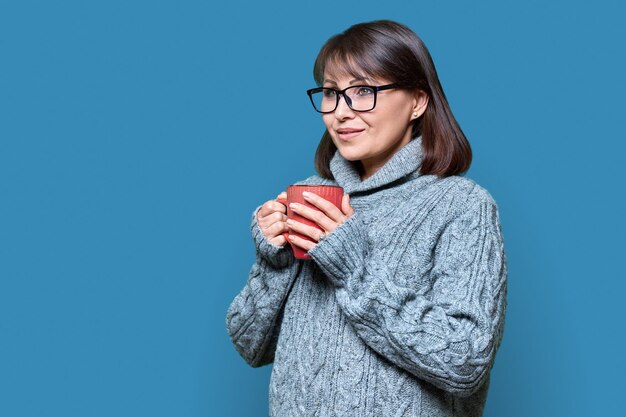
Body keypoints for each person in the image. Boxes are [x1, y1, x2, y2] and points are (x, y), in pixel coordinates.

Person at [226, 19, 507, 417]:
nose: (341, 112)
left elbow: (466, 361)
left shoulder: (462, 206)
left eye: (363, 91)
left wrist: (355, 269)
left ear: (417, 101)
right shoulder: (309, 197)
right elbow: (249, 346)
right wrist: (273, 263)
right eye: (330, 93)